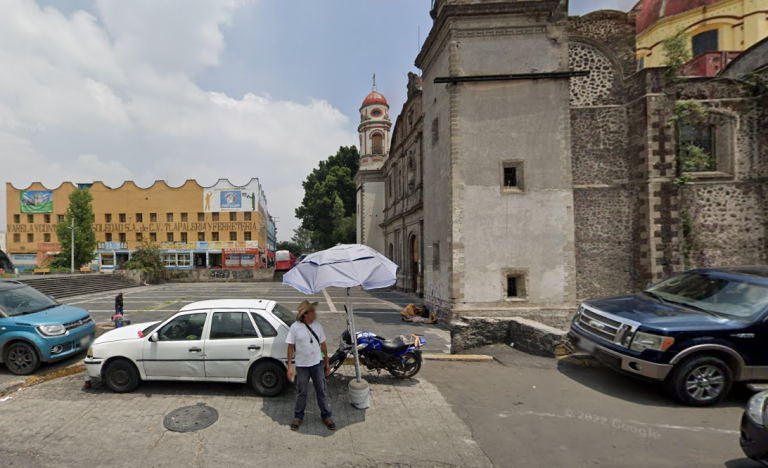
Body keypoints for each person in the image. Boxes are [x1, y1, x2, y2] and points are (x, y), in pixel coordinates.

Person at [286, 300, 335, 432]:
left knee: (321, 391)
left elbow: (323, 345)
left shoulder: (318, 326)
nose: (314, 313)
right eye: (312, 311)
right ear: (305, 314)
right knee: (301, 392)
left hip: (317, 364)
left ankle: (326, 416)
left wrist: (327, 362)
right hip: (302, 366)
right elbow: (290, 347)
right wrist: (290, 367)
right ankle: (298, 417)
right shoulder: (295, 327)